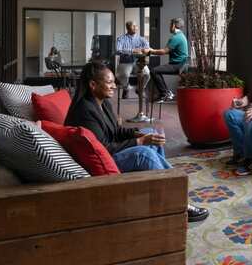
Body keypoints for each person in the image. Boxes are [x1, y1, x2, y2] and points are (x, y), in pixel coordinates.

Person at [64, 61, 209, 222]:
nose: (114, 86)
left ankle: (162, 183)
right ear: (93, 84)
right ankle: (179, 201)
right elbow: (104, 148)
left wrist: (137, 133)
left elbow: (116, 132)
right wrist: (139, 142)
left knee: (150, 132)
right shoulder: (85, 111)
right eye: (109, 82)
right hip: (100, 163)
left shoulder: (102, 103)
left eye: (114, 81)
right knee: (144, 154)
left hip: (109, 152)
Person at [145, 18, 188, 103]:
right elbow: (169, 50)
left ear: (174, 25)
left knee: (154, 71)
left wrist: (150, 51)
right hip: (180, 64)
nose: (169, 27)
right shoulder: (181, 36)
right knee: (156, 71)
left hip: (177, 65)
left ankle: (164, 93)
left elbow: (164, 51)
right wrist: (153, 51)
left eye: (170, 25)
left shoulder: (176, 37)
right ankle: (166, 93)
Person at [115, 21, 150, 99]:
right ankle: (126, 88)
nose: (135, 27)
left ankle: (139, 89)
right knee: (123, 75)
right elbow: (118, 50)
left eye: (136, 26)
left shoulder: (142, 39)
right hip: (125, 62)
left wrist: (143, 50)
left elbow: (147, 48)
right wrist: (132, 51)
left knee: (147, 74)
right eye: (133, 26)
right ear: (127, 28)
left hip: (139, 61)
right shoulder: (121, 39)